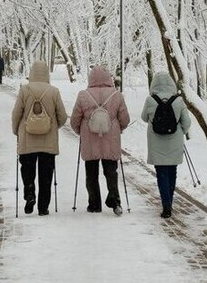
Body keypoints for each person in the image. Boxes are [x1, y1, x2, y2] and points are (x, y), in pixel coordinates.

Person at [70, 66, 130, 216]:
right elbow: (125, 119)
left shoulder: (83, 95)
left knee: (91, 173)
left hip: (90, 140)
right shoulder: (117, 95)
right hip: (111, 139)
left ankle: (94, 204)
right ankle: (115, 201)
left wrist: (80, 132)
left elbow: (74, 120)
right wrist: (118, 128)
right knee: (111, 171)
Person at [12, 60, 68, 216]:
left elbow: (16, 114)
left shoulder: (24, 90)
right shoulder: (54, 91)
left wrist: (16, 131)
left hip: (27, 140)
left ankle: (29, 194)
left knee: (27, 169)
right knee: (46, 174)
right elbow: (63, 116)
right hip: (48, 143)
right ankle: (43, 207)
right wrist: (52, 127)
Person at [141, 71, 192, 219]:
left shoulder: (150, 100)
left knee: (161, 173)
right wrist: (180, 131)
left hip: (156, 143)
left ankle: (166, 204)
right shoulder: (178, 101)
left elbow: (144, 118)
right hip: (174, 142)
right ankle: (170, 200)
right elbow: (187, 122)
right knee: (172, 171)